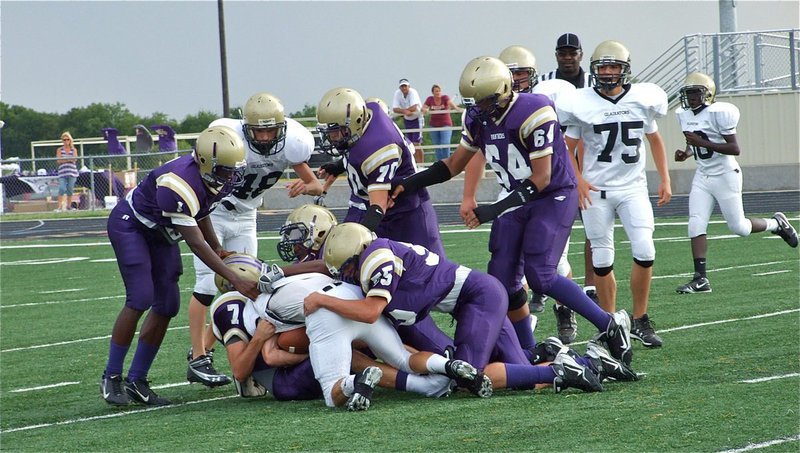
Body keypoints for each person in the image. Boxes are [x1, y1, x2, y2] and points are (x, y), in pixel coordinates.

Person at [392, 56, 634, 367]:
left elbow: (542, 177)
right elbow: (453, 165)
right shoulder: (478, 117)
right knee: (499, 283)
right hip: (516, 195)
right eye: (475, 101)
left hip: (553, 195)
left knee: (542, 275)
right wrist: (409, 184)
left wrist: (492, 211)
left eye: (486, 100)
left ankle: (610, 324)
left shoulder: (534, 110)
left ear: (505, 90)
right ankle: (527, 351)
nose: (480, 107)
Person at [100, 125, 258, 407]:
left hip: (161, 231)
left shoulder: (214, 177)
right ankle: (111, 376)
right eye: (225, 170)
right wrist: (234, 277)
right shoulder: (179, 183)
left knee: (168, 304)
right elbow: (196, 243)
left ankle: (137, 380)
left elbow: (202, 211)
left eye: (233, 170)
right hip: (132, 226)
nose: (230, 176)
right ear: (205, 163)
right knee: (140, 297)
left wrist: (219, 248)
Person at [185, 92, 323, 388]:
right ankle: (198, 356)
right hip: (215, 213)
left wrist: (306, 187)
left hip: (247, 215)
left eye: (270, 130)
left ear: (282, 128)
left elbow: (315, 183)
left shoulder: (293, 144)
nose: (263, 136)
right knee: (208, 284)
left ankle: (209, 348)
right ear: (246, 128)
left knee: (247, 284)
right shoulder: (229, 136)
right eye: (258, 130)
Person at [213, 253, 465, 410]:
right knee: (372, 352)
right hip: (284, 379)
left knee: (354, 346)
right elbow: (259, 361)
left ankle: (426, 377)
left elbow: (324, 267)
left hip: (318, 330)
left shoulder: (278, 289)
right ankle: (437, 371)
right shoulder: (235, 308)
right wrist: (258, 339)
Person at [558, 40, 672, 349]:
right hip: (596, 191)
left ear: (625, 70)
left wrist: (664, 178)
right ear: (594, 70)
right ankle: (609, 323)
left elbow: (655, 139)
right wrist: (578, 180)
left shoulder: (641, 99)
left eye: (613, 67)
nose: (608, 73)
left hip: (633, 187)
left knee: (646, 250)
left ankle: (640, 318)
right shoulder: (581, 102)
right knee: (603, 258)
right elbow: (566, 149)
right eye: (603, 67)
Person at [673, 72, 798, 293]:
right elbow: (697, 145)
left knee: (739, 227)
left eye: (695, 93)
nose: (691, 97)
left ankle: (777, 224)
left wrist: (700, 142)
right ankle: (700, 279)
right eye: (688, 93)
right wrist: (687, 153)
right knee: (695, 223)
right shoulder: (683, 114)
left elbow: (734, 148)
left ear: (707, 95)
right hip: (703, 175)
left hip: (725, 174)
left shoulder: (720, 113)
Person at [315, 87, 445, 258]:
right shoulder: (366, 113)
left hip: (405, 212)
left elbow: (379, 206)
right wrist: (340, 165)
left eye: (335, 132)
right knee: (347, 266)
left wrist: (358, 236)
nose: (331, 138)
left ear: (355, 122)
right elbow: (358, 153)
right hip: (367, 202)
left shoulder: (380, 146)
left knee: (429, 271)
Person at [541, 33, 599, 307]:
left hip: (588, 159)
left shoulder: (593, 82)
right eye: (562, 53)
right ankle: (553, 283)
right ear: (556, 55)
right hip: (552, 161)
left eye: (571, 53)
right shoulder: (545, 82)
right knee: (552, 227)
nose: (567, 57)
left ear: (580, 54)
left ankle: (590, 285)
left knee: (592, 226)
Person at [422, 84, 462, 161]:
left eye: (439, 91)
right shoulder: (430, 99)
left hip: (445, 124)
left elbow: (451, 104)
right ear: (433, 92)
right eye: (436, 91)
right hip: (433, 125)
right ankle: (440, 163)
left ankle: (447, 161)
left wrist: (458, 109)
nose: (438, 92)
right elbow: (424, 107)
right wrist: (425, 110)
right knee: (436, 145)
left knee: (445, 143)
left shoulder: (445, 98)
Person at [392, 79, 425, 163]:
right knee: (410, 144)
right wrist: (405, 111)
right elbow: (395, 109)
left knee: (416, 143)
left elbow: (414, 107)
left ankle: (421, 164)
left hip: (417, 118)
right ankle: (414, 163)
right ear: (400, 88)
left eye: (405, 86)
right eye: (402, 86)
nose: (404, 88)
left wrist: (403, 111)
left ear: (409, 86)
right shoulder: (397, 93)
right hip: (407, 119)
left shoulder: (413, 92)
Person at [55, 132, 79, 212]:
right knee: (62, 188)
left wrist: (65, 160)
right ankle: (59, 207)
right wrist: (68, 160)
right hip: (62, 172)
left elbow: (74, 159)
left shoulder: (73, 149)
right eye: (64, 140)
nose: (66, 141)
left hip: (72, 172)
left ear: (70, 140)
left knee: (70, 189)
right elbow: (59, 160)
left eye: (67, 139)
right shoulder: (59, 150)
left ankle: (69, 206)